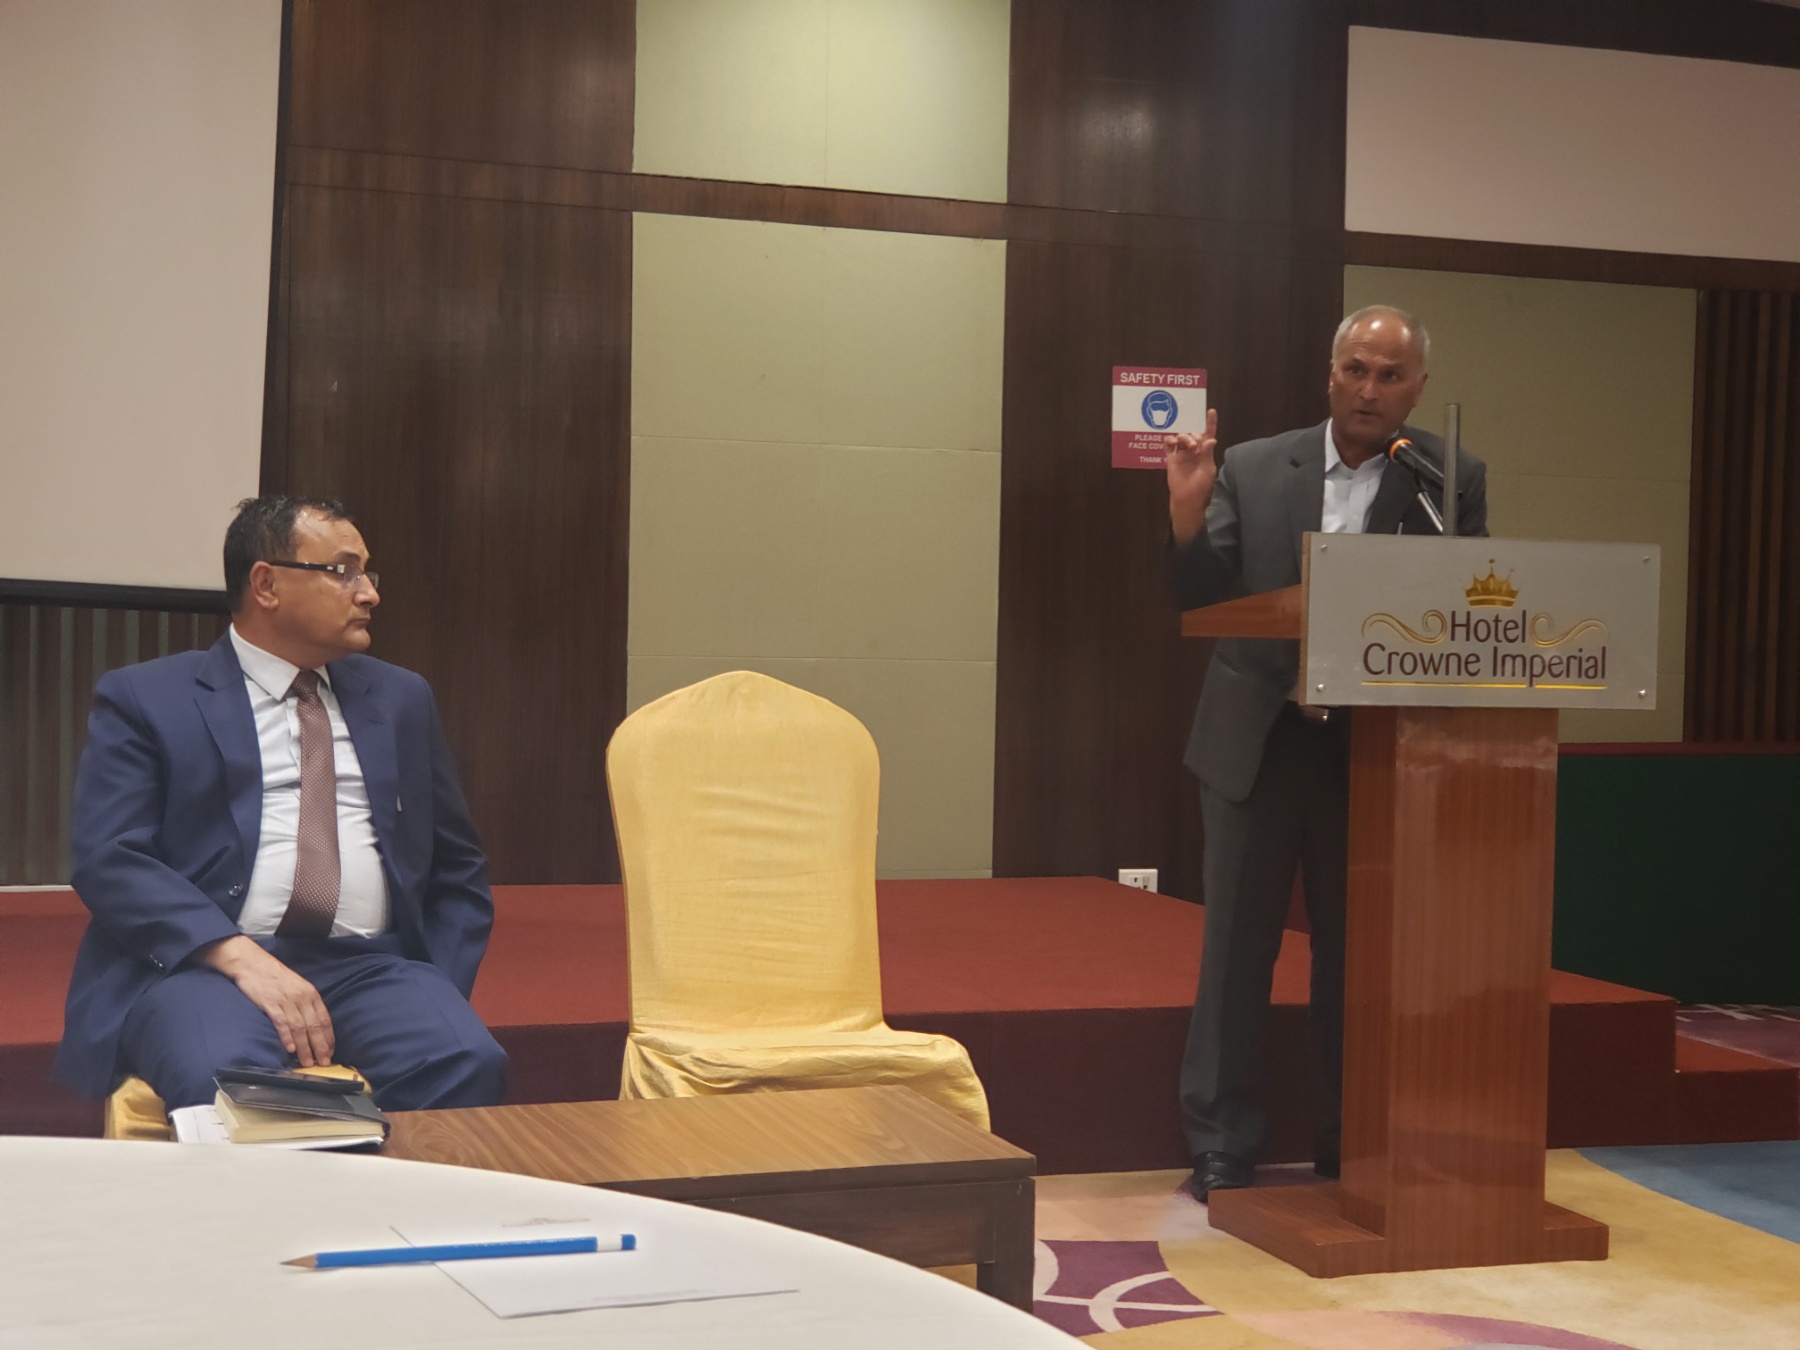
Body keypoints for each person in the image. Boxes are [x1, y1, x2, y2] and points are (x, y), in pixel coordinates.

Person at [1162, 306, 1488, 1199]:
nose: (1369, 390)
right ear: (1330, 374)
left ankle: (1352, 1135)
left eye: (1390, 375)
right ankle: (1221, 1139)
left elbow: (1463, 613)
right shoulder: (1255, 466)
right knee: (1236, 953)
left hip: (1371, 752)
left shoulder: (1447, 478)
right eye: (1356, 370)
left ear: (1418, 388)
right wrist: (1187, 512)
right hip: (1257, 740)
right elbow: (1200, 596)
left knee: (1358, 959)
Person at [55, 496, 507, 1112]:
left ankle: (382, 1183)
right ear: (266, 584)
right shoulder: (149, 697)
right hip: (208, 965)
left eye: (368, 573)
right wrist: (232, 953)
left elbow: (457, 866)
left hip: (370, 966)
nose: (369, 593)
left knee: (465, 1059)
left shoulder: (400, 698)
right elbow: (111, 859)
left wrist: (439, 987)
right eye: (343, 571)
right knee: (231, 1080)